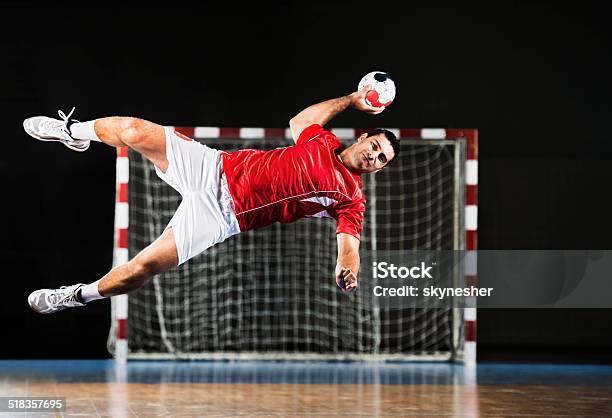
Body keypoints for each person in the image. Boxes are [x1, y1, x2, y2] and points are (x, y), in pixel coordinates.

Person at [23, 86, 400, 314]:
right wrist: (351, 99)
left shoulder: (351, 197)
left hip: (220, 215)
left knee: (140, 269)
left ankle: (74, 296)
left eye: (383, 160)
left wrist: (346, 267)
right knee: (133, 129)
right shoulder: (322, 140)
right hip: (211, 166)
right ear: (365, 138)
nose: (375, 157)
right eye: (376, 147)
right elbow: (300, 119)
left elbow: (349, 244)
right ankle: (74, 131)